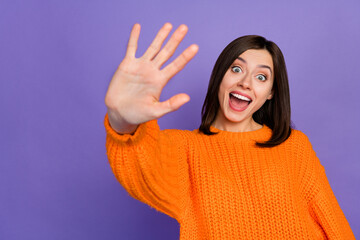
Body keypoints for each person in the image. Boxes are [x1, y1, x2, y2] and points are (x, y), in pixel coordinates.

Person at [103, 23, 355, 239]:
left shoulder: (294, 145)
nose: (245, 82)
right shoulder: (184, 149)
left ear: (271, 93)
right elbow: (140, 165)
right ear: (220, 76)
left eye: (261, 77)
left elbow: (334, 223)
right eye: (236, 69)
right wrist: (122, 119)